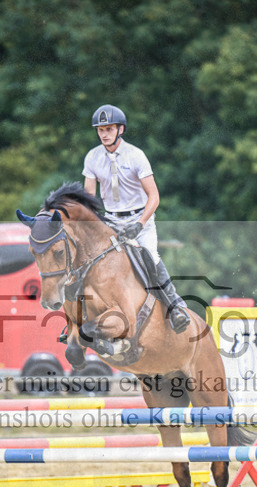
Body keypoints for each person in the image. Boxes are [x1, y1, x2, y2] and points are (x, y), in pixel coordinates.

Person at [83, 104, 189, 332]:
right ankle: (76, 316)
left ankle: (175, 305)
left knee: (151, 256)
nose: (103, 134)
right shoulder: (92, 157)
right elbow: (88, 198)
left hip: (140, 220)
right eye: (100, 130)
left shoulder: (136, 155)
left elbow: (154, 196)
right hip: (110, 221)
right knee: (84, 259)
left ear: (120, 129)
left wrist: (139, 224)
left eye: (109, 129)